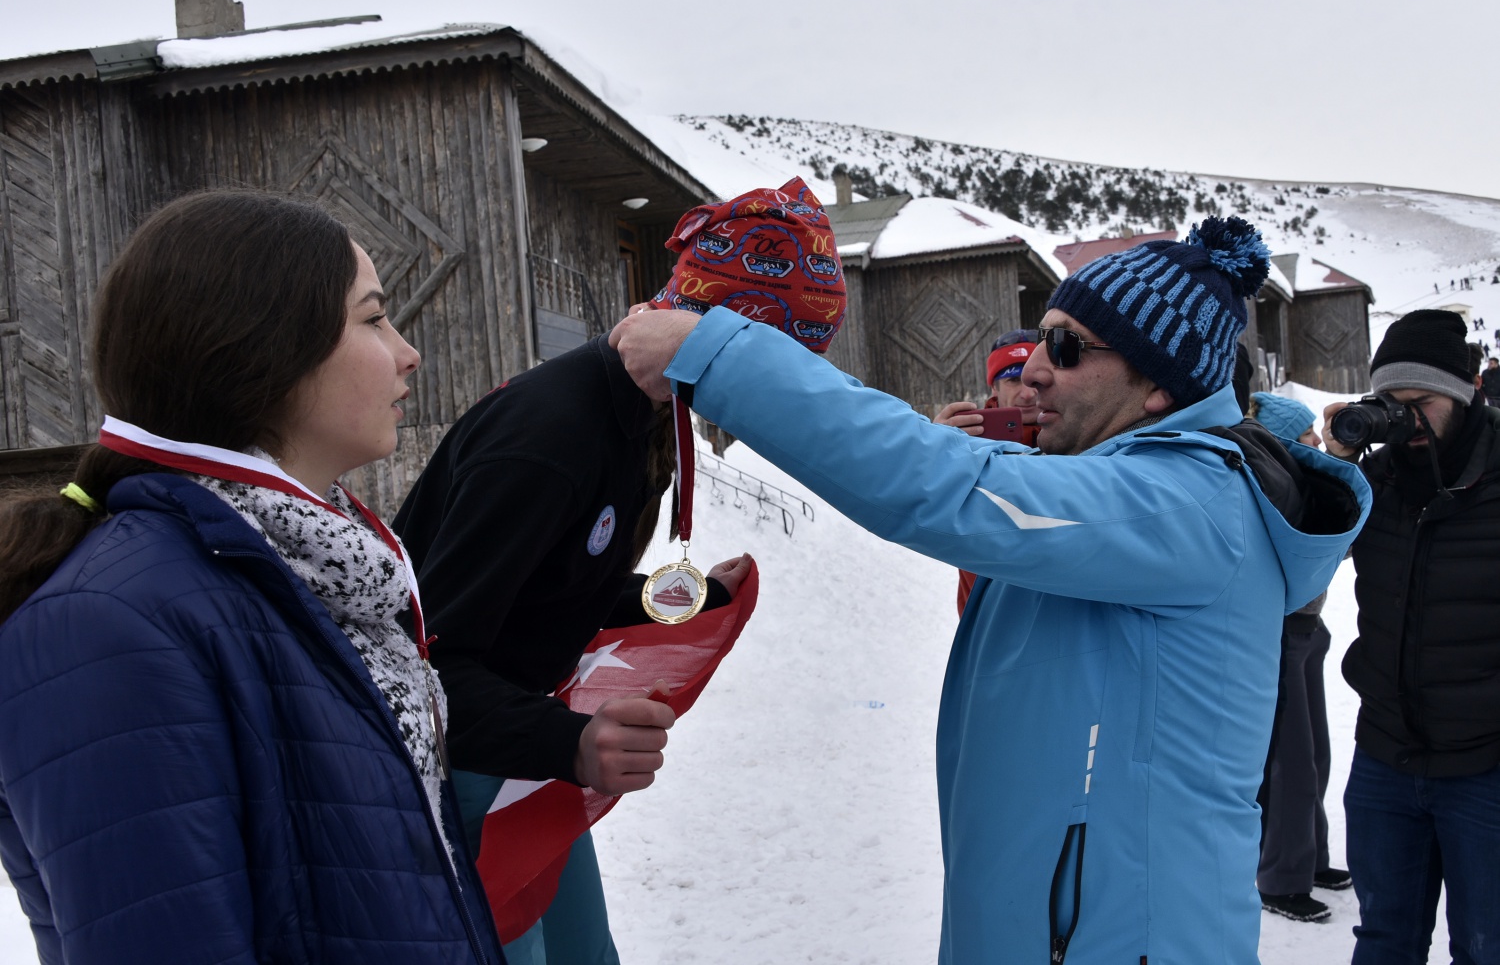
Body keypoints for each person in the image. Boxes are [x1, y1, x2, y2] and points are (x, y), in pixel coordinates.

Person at [611, 216, 1371, 964]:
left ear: (1157, 388)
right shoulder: (1121, 495)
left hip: (1116, 937)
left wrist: (715, 356)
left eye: (1067, 348)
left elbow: (941, 491)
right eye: (1041, 337)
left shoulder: (1183, 502)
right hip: (1051, 921)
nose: (1035, 367)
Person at [0, 191, 505, 964]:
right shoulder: (109, 625)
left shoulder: (323, 572)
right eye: (372, 320)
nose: (407, 353)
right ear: (264, 350)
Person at [392, 178, 841, 965]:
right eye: (780, 376)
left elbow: (560, 583)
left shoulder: (645, 414)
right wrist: (576, 743)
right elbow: (424, 664)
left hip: (520, 748)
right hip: (459, 767)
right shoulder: (546, 444)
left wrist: (687, 600)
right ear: (730, 345)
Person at [1320, 308, 1500, 965]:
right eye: (1392, 405)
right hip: (1385, 758)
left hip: (1485, 765)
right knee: (1385, 940)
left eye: (1420, 402)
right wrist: (1334, 463)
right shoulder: (1378, 482)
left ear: (1466, 391)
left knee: (1486, 946)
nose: (1407, 422)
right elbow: (1298, 564)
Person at [1246, 392, 1351, 923]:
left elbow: (1344, 535)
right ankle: (1281, 878)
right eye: (1305, 435)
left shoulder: (1301, 477)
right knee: (1291, 760)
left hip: (1310, 628)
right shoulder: (1275, 485)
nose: (1315, 441)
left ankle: (1310, 859)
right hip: (1281, 631)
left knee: (1315, 753)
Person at [933, 328, 1040, 611]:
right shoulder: (967, 438)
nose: (1028, 394)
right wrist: (932, 450)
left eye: (1035, 380)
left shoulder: (1080, 436)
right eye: (1014, 380)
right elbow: (927, 508)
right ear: (994, 387)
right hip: (985, 604)